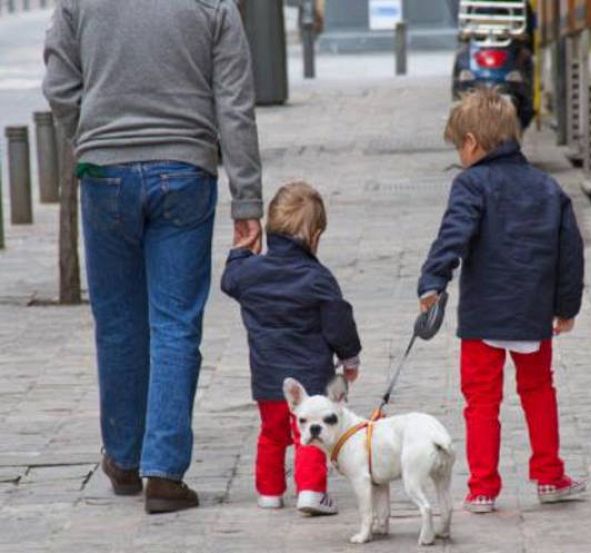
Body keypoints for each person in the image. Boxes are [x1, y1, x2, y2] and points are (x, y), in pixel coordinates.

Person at [43, 0, 263, 514]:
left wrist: (91, 135)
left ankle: (123, 458)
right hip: (185, 170)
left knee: (117, 321)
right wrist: (247, 199)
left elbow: (59, 86)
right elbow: (234, 103)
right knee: (176, 323)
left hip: (105, 173)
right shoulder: (214, 6)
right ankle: (163, 473)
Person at [417, 88, 586, 513]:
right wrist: (566, 307)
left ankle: (482, 489)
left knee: (481, 402)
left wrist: (433, 281)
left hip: (482, 316)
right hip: (532, 314)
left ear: (472, 143)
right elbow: (571, 254)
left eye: (459, 146)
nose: (460, 155)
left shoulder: (470, 184)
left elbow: (452, 236)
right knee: (538, 392)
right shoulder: (548, 188)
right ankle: (549, 477)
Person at [221, 182, 361, 515]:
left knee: (271, 434)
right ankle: (311, 491)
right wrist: (349, 356)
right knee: (310, 434)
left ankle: (269, 492)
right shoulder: (318, 277)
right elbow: (338, 322)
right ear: (314, 236)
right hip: (311, 379)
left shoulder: (250, 272)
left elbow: (229, 281)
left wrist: (240, 251)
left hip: (267, 377)